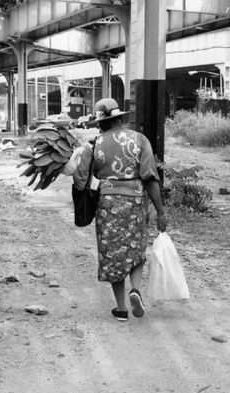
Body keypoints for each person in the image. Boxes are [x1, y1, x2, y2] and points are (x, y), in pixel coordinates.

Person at [73, 98, 167, 321]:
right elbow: (150, 178)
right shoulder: (140, 140)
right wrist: (160, 212)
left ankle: (122, 308)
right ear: (121, 119)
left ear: (101, 123)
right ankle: (135, 289)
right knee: (136, 248)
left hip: (107, 205)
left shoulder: (94, 145)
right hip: (135, 202)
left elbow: (80, 180)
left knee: (113, 253)